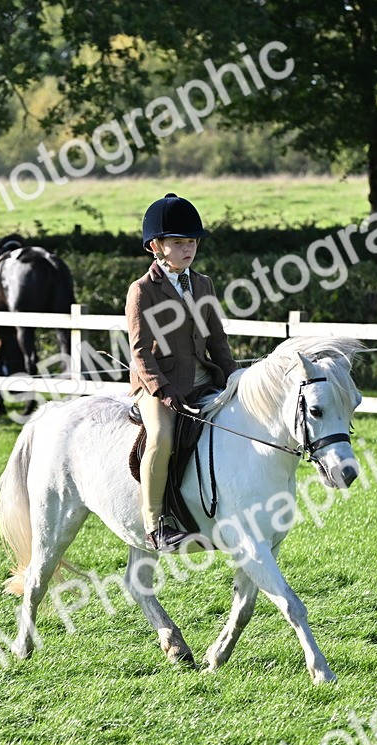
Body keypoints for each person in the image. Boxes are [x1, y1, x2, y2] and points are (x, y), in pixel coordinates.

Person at [126, 193, 238, 553]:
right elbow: (141, 352)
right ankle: (154, 522)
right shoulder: (142, 291)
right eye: (178, 242)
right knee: (162, 437)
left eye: (192, 242)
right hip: (156, 382)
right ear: (156, 246)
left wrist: (234, 378)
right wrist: (162, 391)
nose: (188, 248)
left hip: (201, 376)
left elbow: (217, 341)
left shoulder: (202, 284)